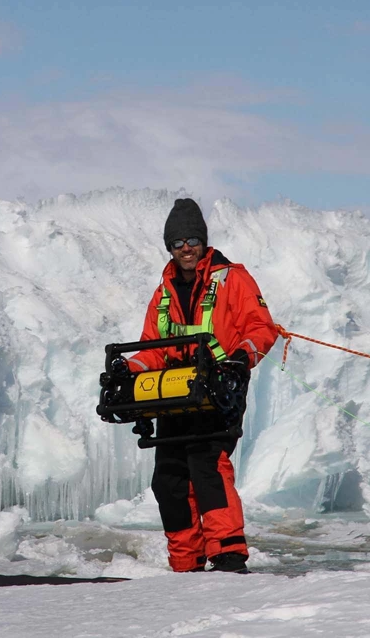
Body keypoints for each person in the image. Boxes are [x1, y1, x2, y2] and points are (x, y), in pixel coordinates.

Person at [127, 198, 278, 573]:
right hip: (177, 395)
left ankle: (228, 555)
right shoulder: (162, 293)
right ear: (169, 248)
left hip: (219, 392)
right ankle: (186, 564)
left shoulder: (232, 279)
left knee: (207, 466)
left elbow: (260, 329)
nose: (186, 248)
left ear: (204, 240)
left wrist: (241, 359)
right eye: (178, 242)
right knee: (169, 479)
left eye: (192, 239)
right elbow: (152, 349)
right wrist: (128, 369)